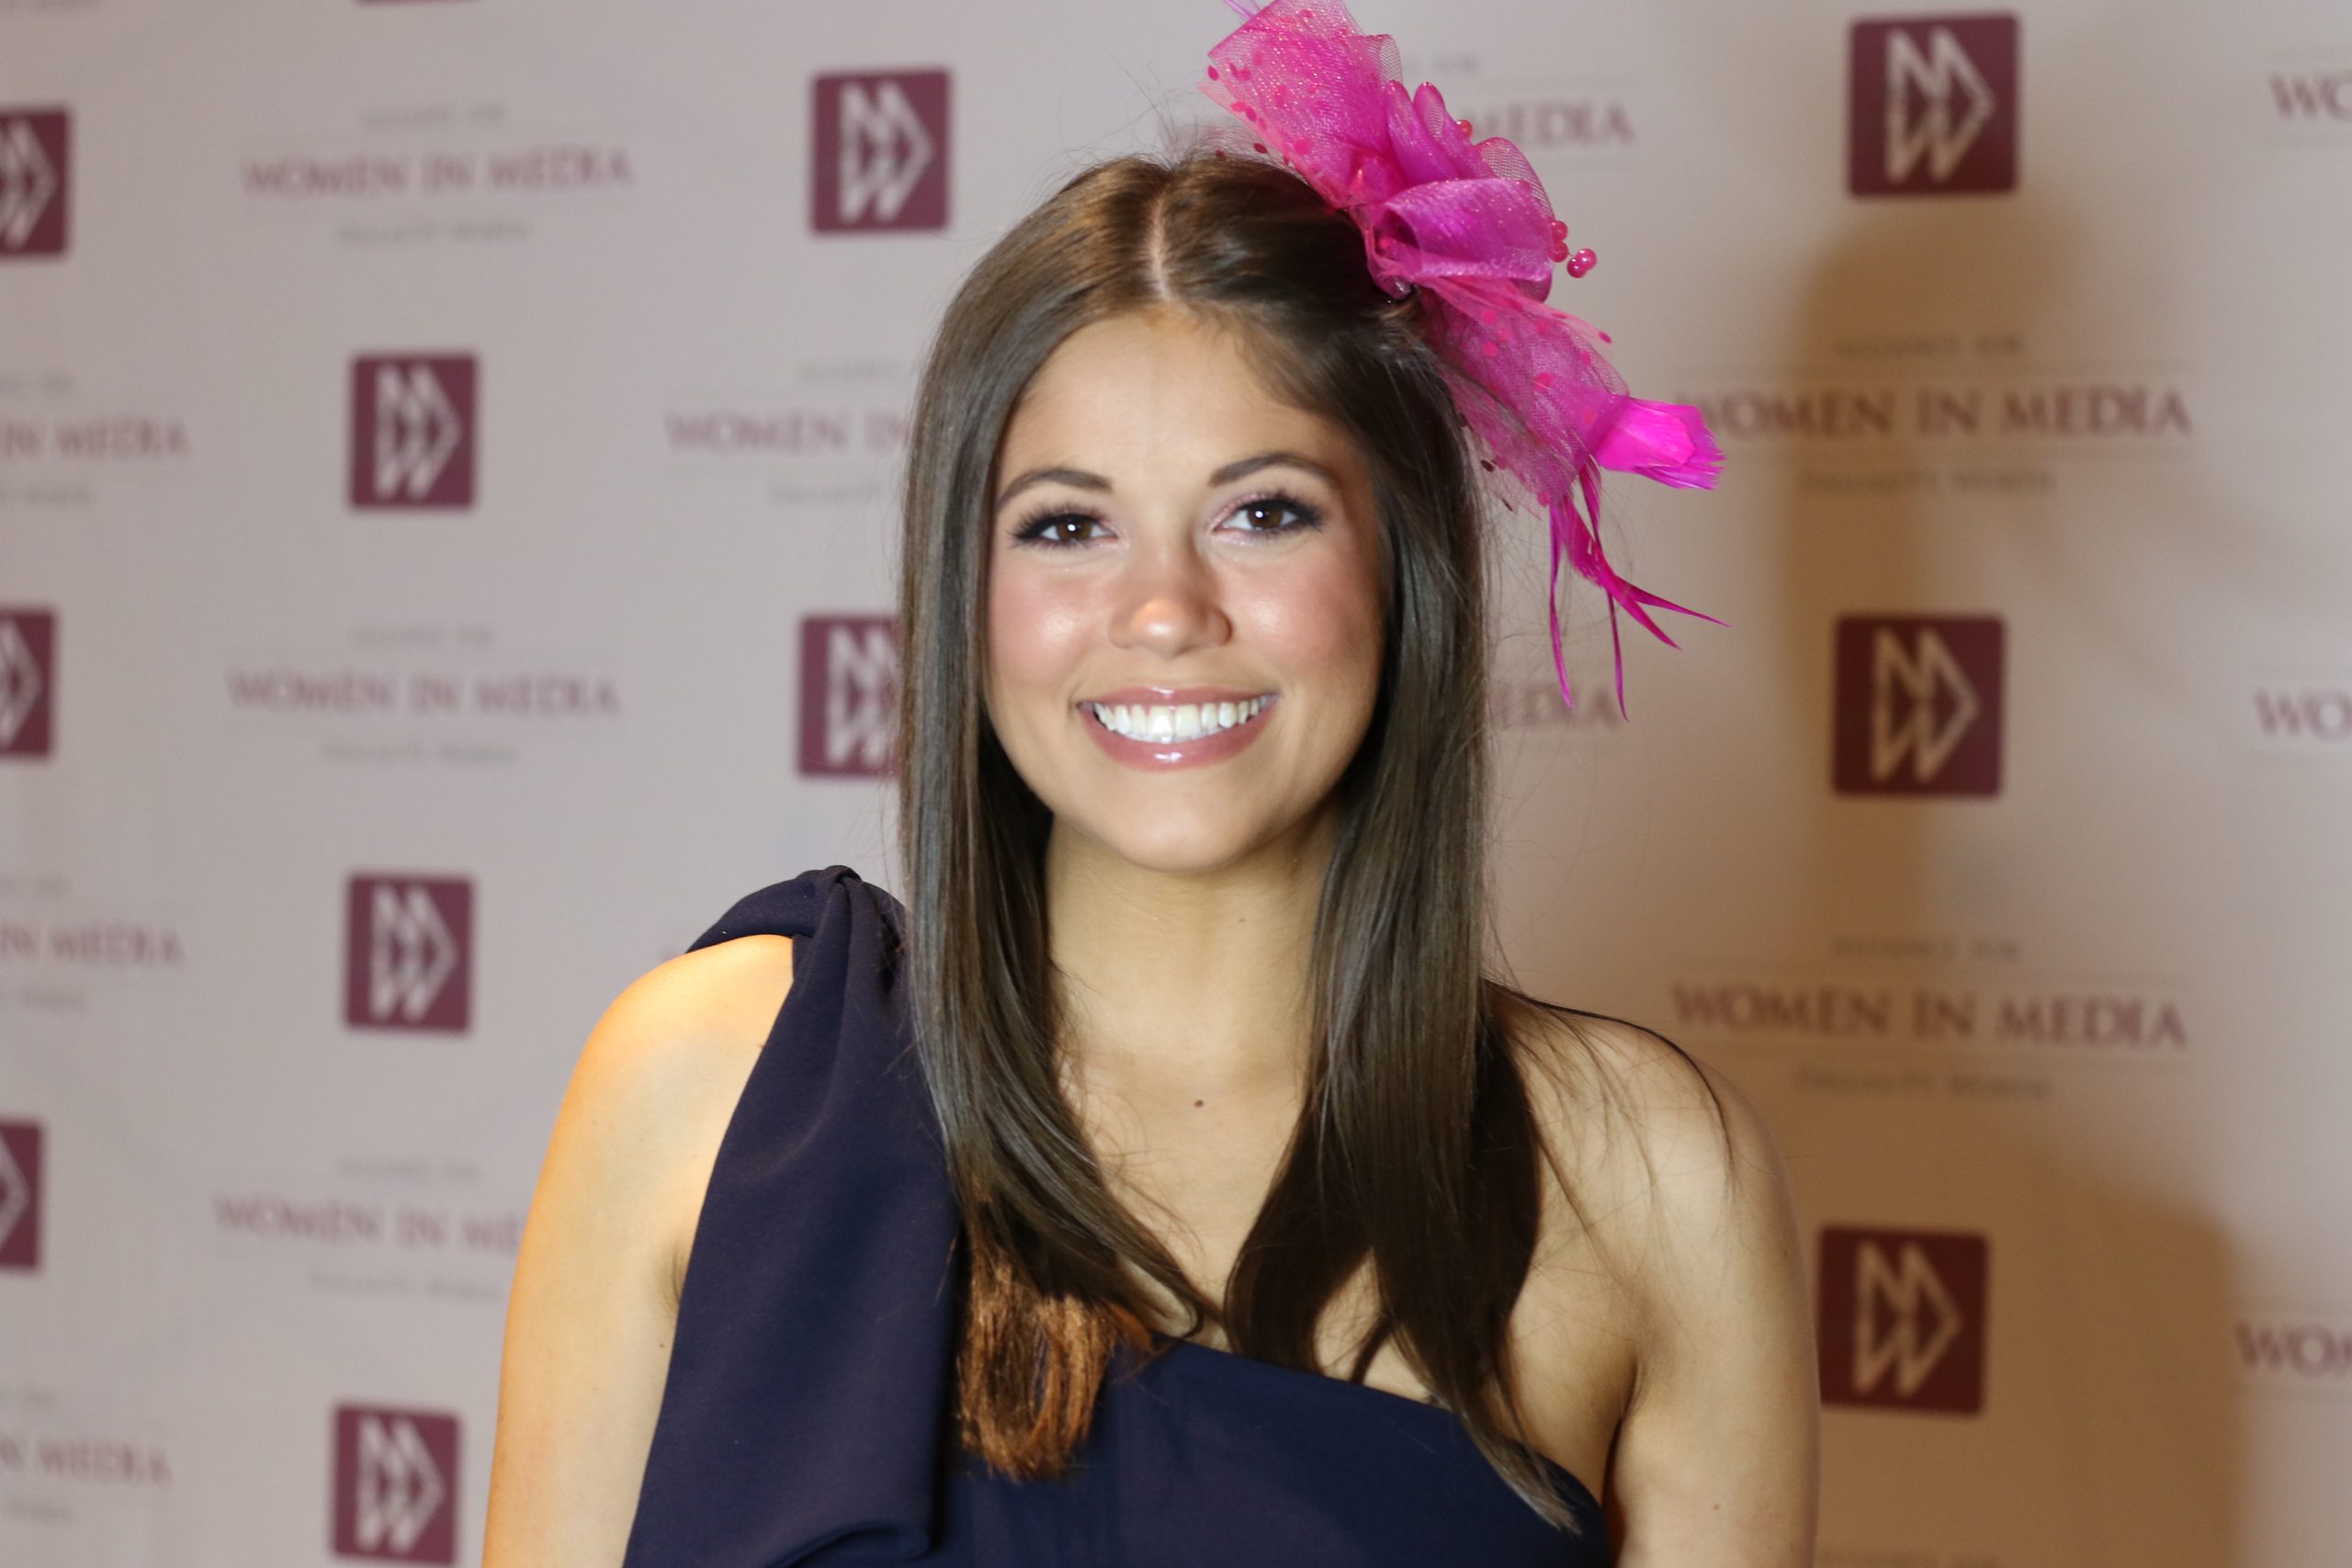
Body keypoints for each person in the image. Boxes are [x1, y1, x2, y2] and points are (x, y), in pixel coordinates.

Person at [484, 5, 1817, 1563]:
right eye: (1067, 526)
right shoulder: (713, 1086)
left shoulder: (1653, 1181)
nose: (1166, 610)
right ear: (963, 592)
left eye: (1263, 514)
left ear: (1405, 571)